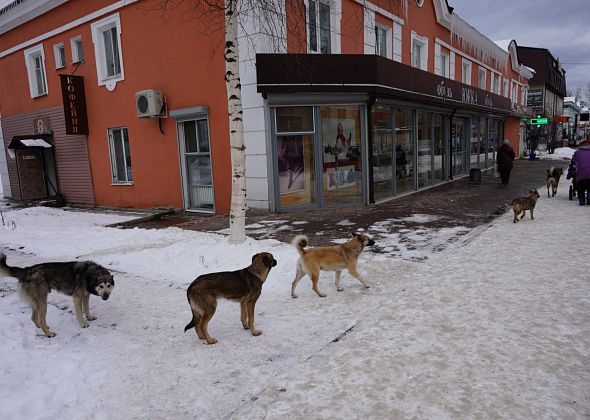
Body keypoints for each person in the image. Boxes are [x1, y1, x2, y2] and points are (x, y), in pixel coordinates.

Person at [572, 137, 590, 205]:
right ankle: (589, 197)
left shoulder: (577, 153)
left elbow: (573, 161)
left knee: (580, 187)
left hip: (581, 174)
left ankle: (581, 200)